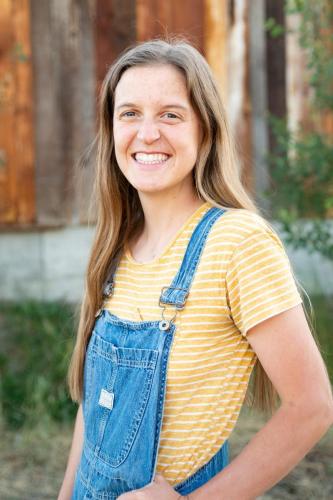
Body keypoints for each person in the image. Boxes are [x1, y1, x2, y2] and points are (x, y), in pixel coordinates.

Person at [58, 38, 333, 500]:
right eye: (129, 113)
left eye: (170, 114)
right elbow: (97, 408)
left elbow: (312, 407)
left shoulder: (238, 243)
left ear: (204, 130)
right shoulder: (116, 247)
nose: (147, 134)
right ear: (111, 130)